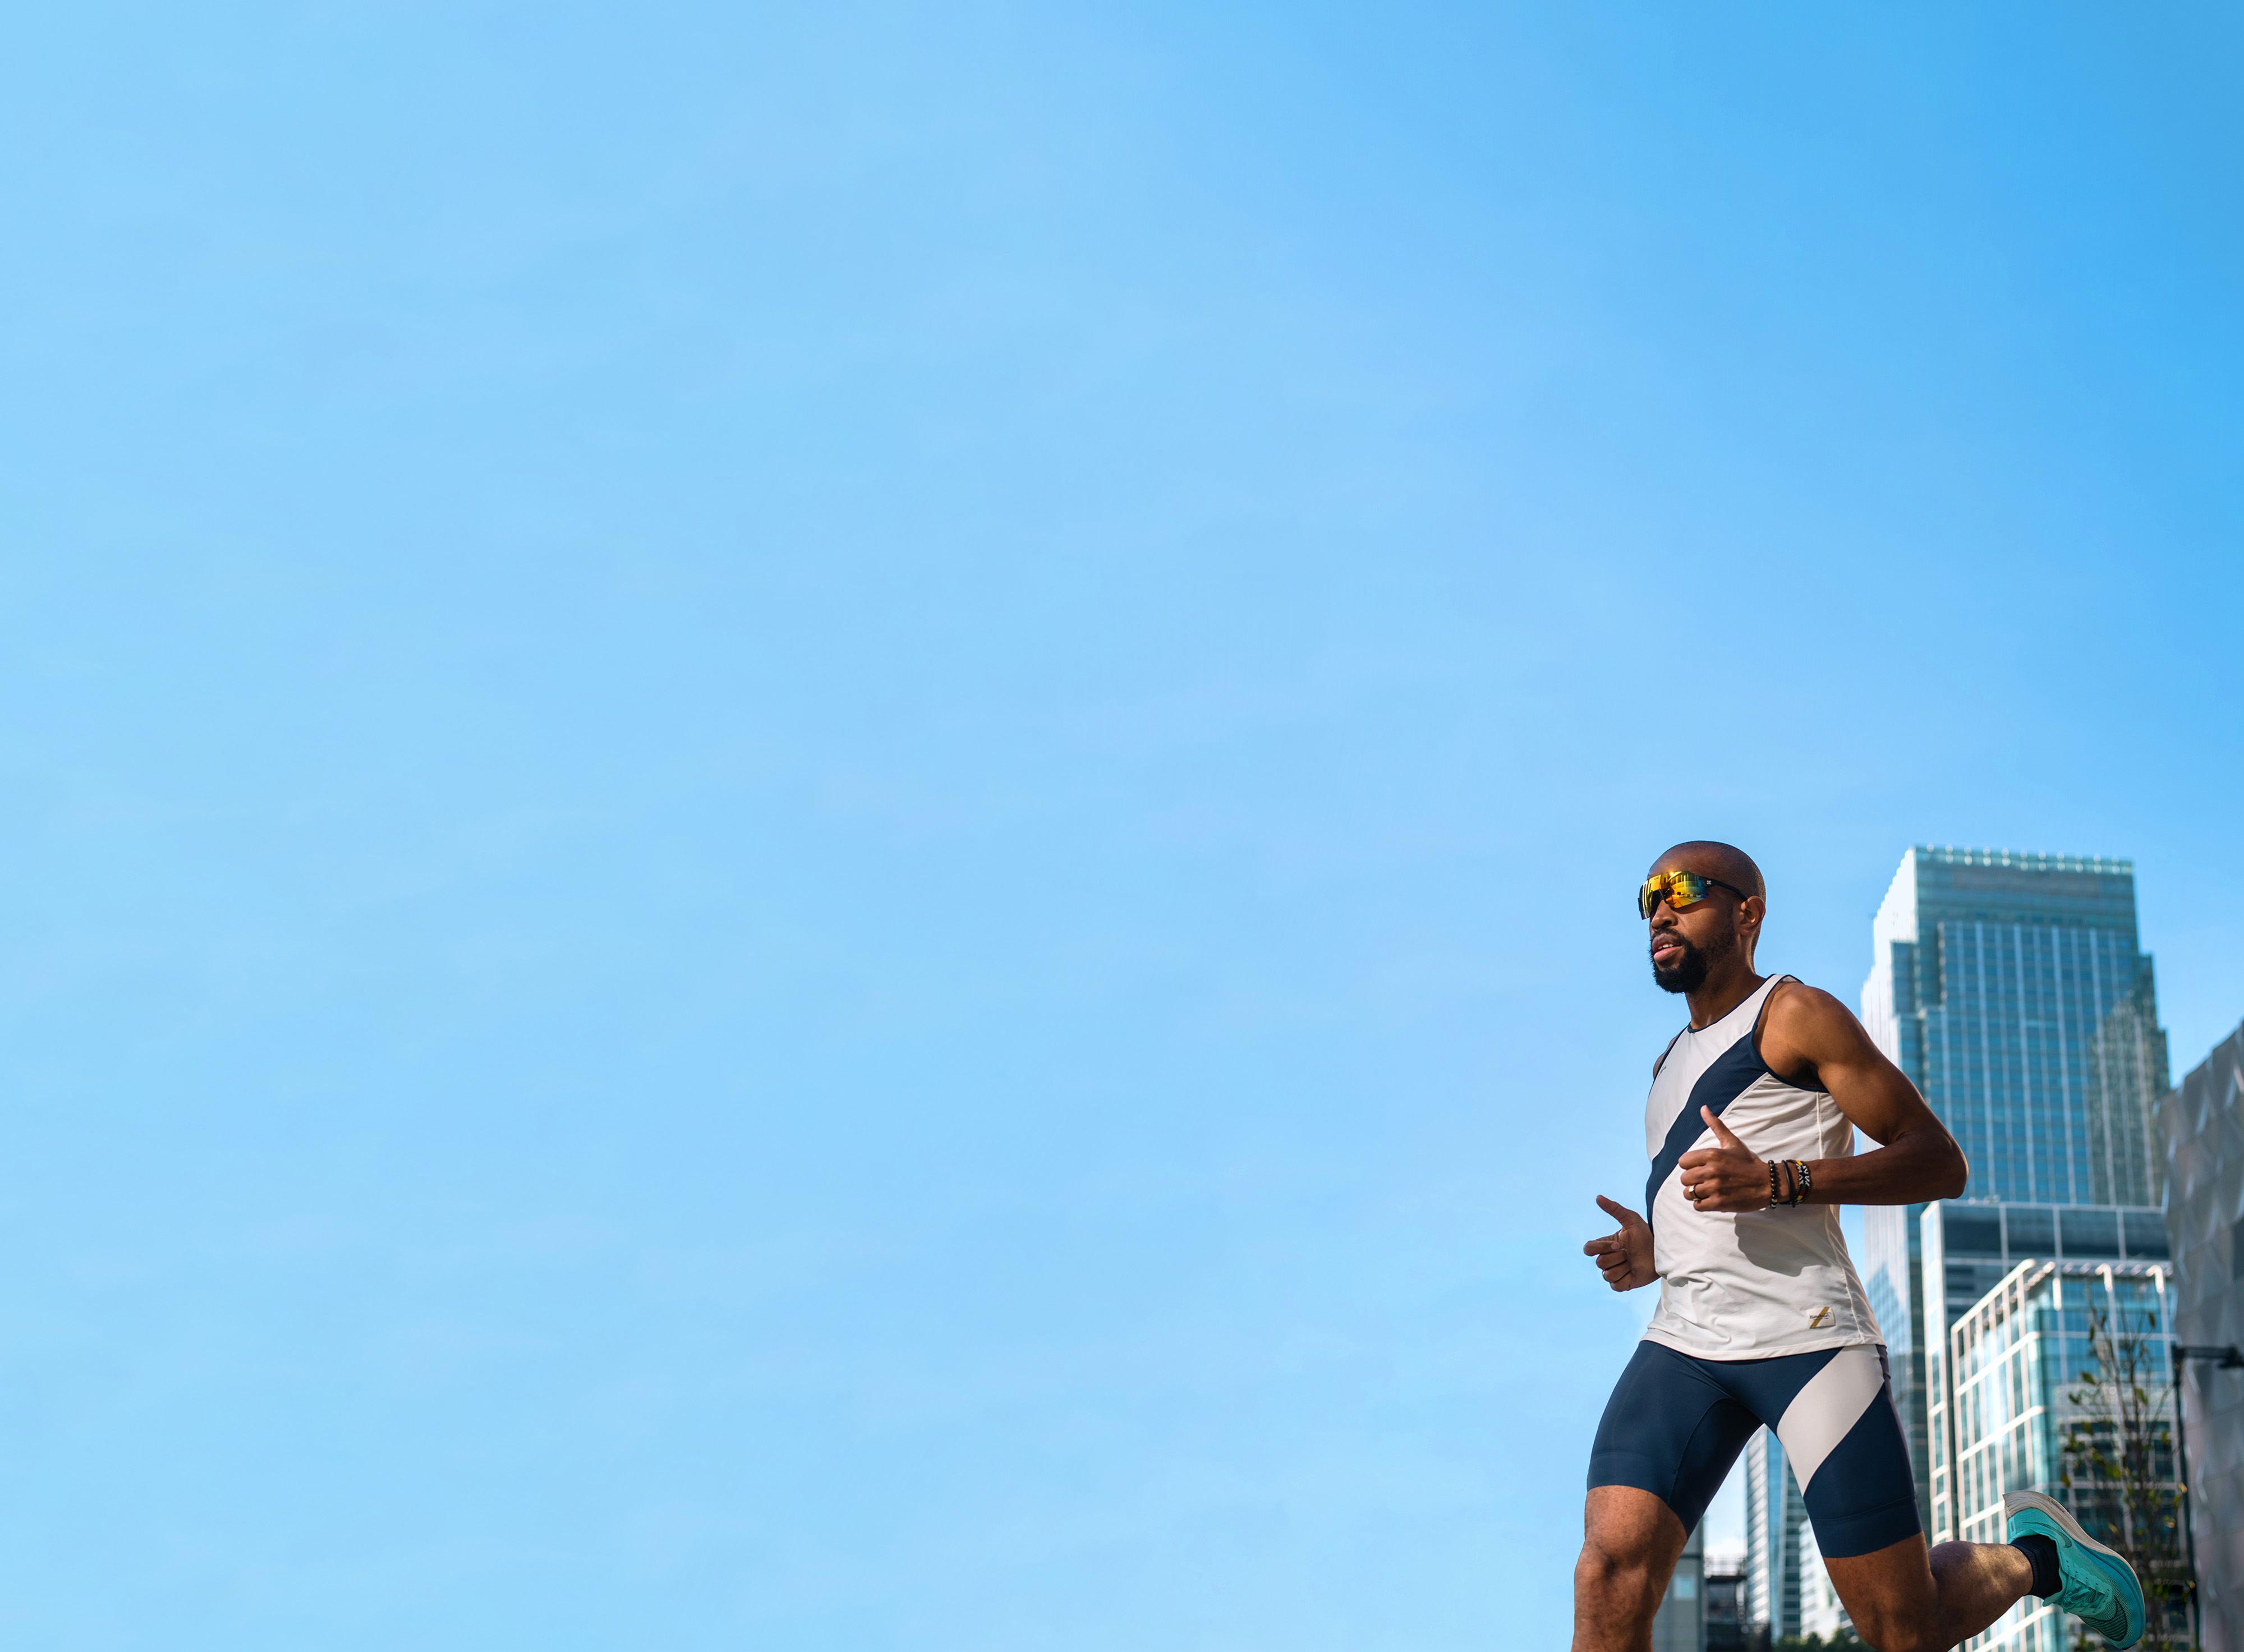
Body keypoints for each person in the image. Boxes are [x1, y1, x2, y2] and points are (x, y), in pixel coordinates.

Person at [1574, 841, 2146, 1652]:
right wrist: (1654, 1248)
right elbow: (1715, 1208)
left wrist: (1779, 1181)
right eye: (1649, 897)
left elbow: (1939, 1159)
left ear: (1748, 912)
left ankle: (2036, 1559)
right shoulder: (1667, 1064)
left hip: (1809, 1341)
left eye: (1683, 889)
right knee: (1608, 1569)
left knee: (1901, 1630)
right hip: (1687, 1342)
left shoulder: (1796, 1014)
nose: (1660, 909)